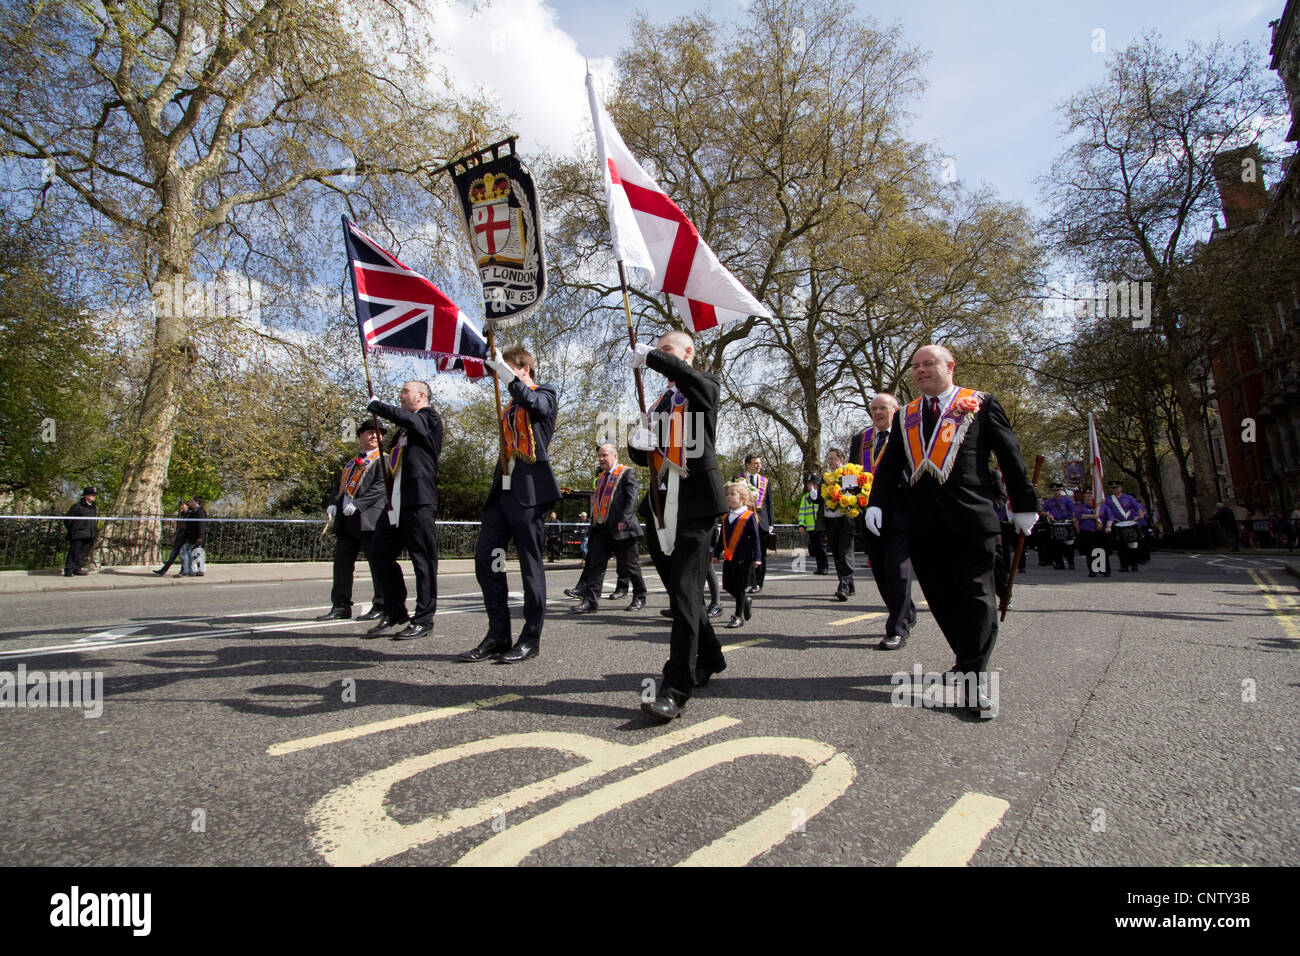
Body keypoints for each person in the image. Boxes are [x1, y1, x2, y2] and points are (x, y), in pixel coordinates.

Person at [866, 344, 1037, 718]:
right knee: (941, 597)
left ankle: (974, 682)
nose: (921, 371)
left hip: (972, 520)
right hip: (922, 523)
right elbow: (891, 466)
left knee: (976, 595)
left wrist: (1024, 504)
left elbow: (1010, 455)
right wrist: (876, 502)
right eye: (916, 366)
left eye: (929, 364)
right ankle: (965, 659)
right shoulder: (906, 415)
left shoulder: (980, 404)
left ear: (950, 366)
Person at [625, 332, 727, 721]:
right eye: (659, 350)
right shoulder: (660, 402)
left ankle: (676, 688)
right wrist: (639, 440)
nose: (661, 357)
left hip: (695, 504)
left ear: (688, 353)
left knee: (684, 594)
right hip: (658, 505)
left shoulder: (704, 386)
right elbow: (643, 454)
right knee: (680, 594)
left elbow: (688, 377)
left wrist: (651, 355)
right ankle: (712, 656)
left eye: (669, 351)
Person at [459, 345, 561, 663]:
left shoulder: (544, 393)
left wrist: (503, 370)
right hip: (501, 494)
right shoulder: (509, 407)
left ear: (524, 369)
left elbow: (533, 403)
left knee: (530, 569)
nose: (498, 373)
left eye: (505, 368)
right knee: (487, 561)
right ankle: (498, 634)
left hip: (530, 496)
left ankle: (531, 639)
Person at [366, 380, 443, 639]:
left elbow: (415, 424)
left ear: (421, 396)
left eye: (405, 391)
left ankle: (424, 619)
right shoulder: (402, 429)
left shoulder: (428, 417)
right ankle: (395, 610)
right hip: (396, 501)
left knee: (423, 561)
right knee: (378, 552)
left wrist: (379, 406)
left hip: (418, 501)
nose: (400, 395)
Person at [851, 392, 917, 650]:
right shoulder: (862, 439)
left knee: (898, 571)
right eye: (874, 409)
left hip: (900, 511)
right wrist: (847, 497)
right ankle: (906, 612)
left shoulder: (908, 435)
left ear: (896, 410)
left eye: (883, 408)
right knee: (880, 571)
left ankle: (897, 628)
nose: (878, 413)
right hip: (869, 513)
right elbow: (852, 472)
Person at [317, 420, 389, 622]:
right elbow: (339, 486)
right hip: (347, 520)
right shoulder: (351, 463)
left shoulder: (384, 460)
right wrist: (333, 503)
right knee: (341, 564)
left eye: (378, 433)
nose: (374, 436)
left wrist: (359, 503)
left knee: (377, 564)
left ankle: (382, 605)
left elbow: (381, 487)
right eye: (369, 432)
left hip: (369, 519)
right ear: (360, 437)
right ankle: (340, 606)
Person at [570, 443, 646, 613]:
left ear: (615, 456)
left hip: (621, 528)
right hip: (601, 528)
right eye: (600, 456)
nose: (602, 459)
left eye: (605, 455)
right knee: (595, 565)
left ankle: (640, 596)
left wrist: (625, 519)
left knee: (630, 566)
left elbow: (632, 498)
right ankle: (590, 601)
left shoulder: (626, 473)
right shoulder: (602, 477)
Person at [714, 480, 762, 628]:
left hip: (744, 558)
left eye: (732, 494)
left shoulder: (748, 516)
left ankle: (738, 616)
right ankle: (745, 601)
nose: (728, 497)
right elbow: (722, 538)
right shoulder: (726, 517)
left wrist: (757, 557)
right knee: (728, 585)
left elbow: (755, 539)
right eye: (727, 494)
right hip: (729, 557)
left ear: (742, 498)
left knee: (740, 586)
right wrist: (716, 553)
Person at [820, 448, 856, 600]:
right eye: (828, 459)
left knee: (845, 553)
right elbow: (820, 499)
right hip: (830, 521)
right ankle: (849, 584)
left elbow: (850, 495)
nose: (830, 462)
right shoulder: (826, 477)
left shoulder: (848, 474)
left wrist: (836, 497)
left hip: (845, 520)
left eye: (833, 459)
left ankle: (844, 586)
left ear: (841, 459)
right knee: (836, 554)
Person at [737, 453, 773, 592]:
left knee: (761, 553)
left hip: (762, 521)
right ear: (748, 464)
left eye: (760, 463)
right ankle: (746, 580)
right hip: (745, 519)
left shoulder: (765, 481)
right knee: (746, 552)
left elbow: (769, 503)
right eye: (756, 463)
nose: (759, 465)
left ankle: (758, 582)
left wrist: (771, 523)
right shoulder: (739, 479)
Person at [1100, 480, 1146, 572]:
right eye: (1113, 488)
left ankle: (1134, 565)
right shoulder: (1108, 500)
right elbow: (1106, 512)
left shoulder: (1128, 498)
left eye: (1117, 488)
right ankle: (1124, 566)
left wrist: (1140, 513)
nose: (1115, 490)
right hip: (1118, 525)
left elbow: (1137, 507)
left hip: (1130, 524)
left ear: (1121, 488)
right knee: (1121, 547)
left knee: (1133, 545)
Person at [797, 474, 829, 574]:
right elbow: (802, 512)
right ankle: (820, 567)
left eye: (811, 483)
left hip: (820, 527)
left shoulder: (822, 495)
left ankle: (824, 567)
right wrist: (802, 524)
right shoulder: (805, 497)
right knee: (815, 549)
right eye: (808, 484)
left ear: (816, 485)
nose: (809, 485)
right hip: (811, 528)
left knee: (821, 548)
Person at [1041, 483, 1077, 570]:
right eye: (1053, 490)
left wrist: (1074, 519)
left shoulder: (1067, 499)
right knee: (1056, 545)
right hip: (1055, 523)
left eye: (1057, 490)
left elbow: (1073, 511)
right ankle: (1059, 563)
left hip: (1066, 523)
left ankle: (1071, 563)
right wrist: (1048, 515)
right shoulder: (1049, 501)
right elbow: (1042, 511)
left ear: (1060, 490)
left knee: (1069, 545)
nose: (1055, 492)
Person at [63, 486, 98, 577]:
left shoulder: (93, 507)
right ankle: (69, 570)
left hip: (89, 534)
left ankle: (77, 569)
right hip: (78, 534)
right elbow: (68, 520)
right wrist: (74, 529)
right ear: (86, 496)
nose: (94, 496)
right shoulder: (77, 506)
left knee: (82, 554)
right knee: (74, 552)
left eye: (94, 495)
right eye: (92, 495)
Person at [1075, 491, 1109, 577]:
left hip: (1099, 532)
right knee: (1090, 552)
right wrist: (1092, 516)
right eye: (1086, 498)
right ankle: (1093, 570)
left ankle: (1104, 570)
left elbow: (1109, 517)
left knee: (1102, 551)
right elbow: (1079, 516)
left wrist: (1109, 526)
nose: (1088, 499)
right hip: (1087, 533)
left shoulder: (1102, 507)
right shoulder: (1081, 507)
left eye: (1090, 497)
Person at [153, 501, 190, 576]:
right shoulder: (182, 514)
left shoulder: (189, 514)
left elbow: (186, 526)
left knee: (183, 556)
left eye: (182, 505)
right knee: (172, 555)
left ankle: (183, 571)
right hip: (179, 537)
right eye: (180, 506)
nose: (181, 507)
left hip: (185, 538)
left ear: (187, 506)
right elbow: (179, 527)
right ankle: (163, 570)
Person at [179, 497, 207, 576]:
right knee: (196, 553)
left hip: (195, 537)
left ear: (196, 502)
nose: (190, 502)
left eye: (192, 501)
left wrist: (200, 537)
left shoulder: (200, 511)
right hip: (192, 536)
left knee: (184, 551)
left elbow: (202, 525)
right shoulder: (194, 511)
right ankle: (198, 570)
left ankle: (189, 570)